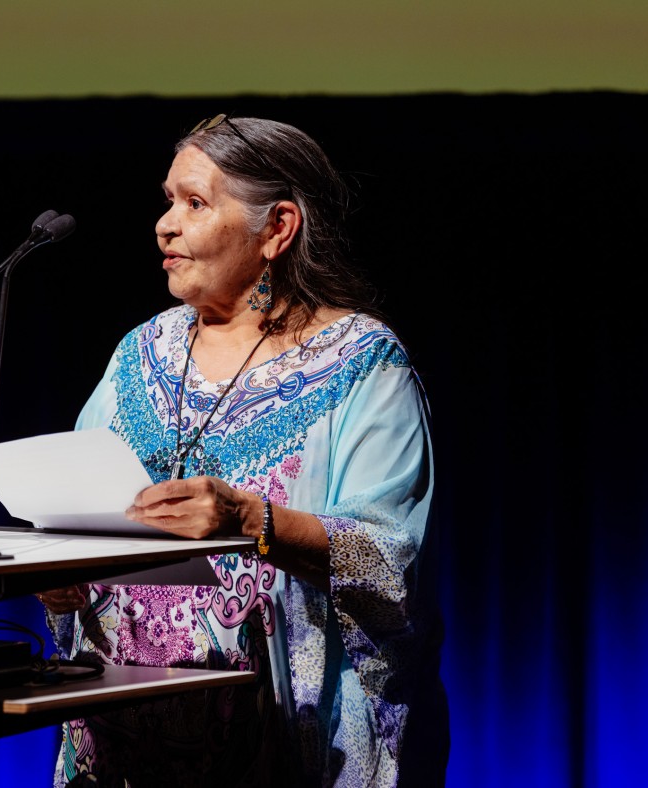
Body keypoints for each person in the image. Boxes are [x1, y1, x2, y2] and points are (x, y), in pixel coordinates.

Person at [37, 114, 447, 787]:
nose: (165, 225)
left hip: (289, 753)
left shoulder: (362, 367)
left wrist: (250, 522)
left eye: (194, 203)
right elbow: (82, 521)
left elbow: (389, 566)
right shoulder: (142, 354)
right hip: (129, 749)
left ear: (277, 229)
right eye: (168, 200)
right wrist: (62, 587)